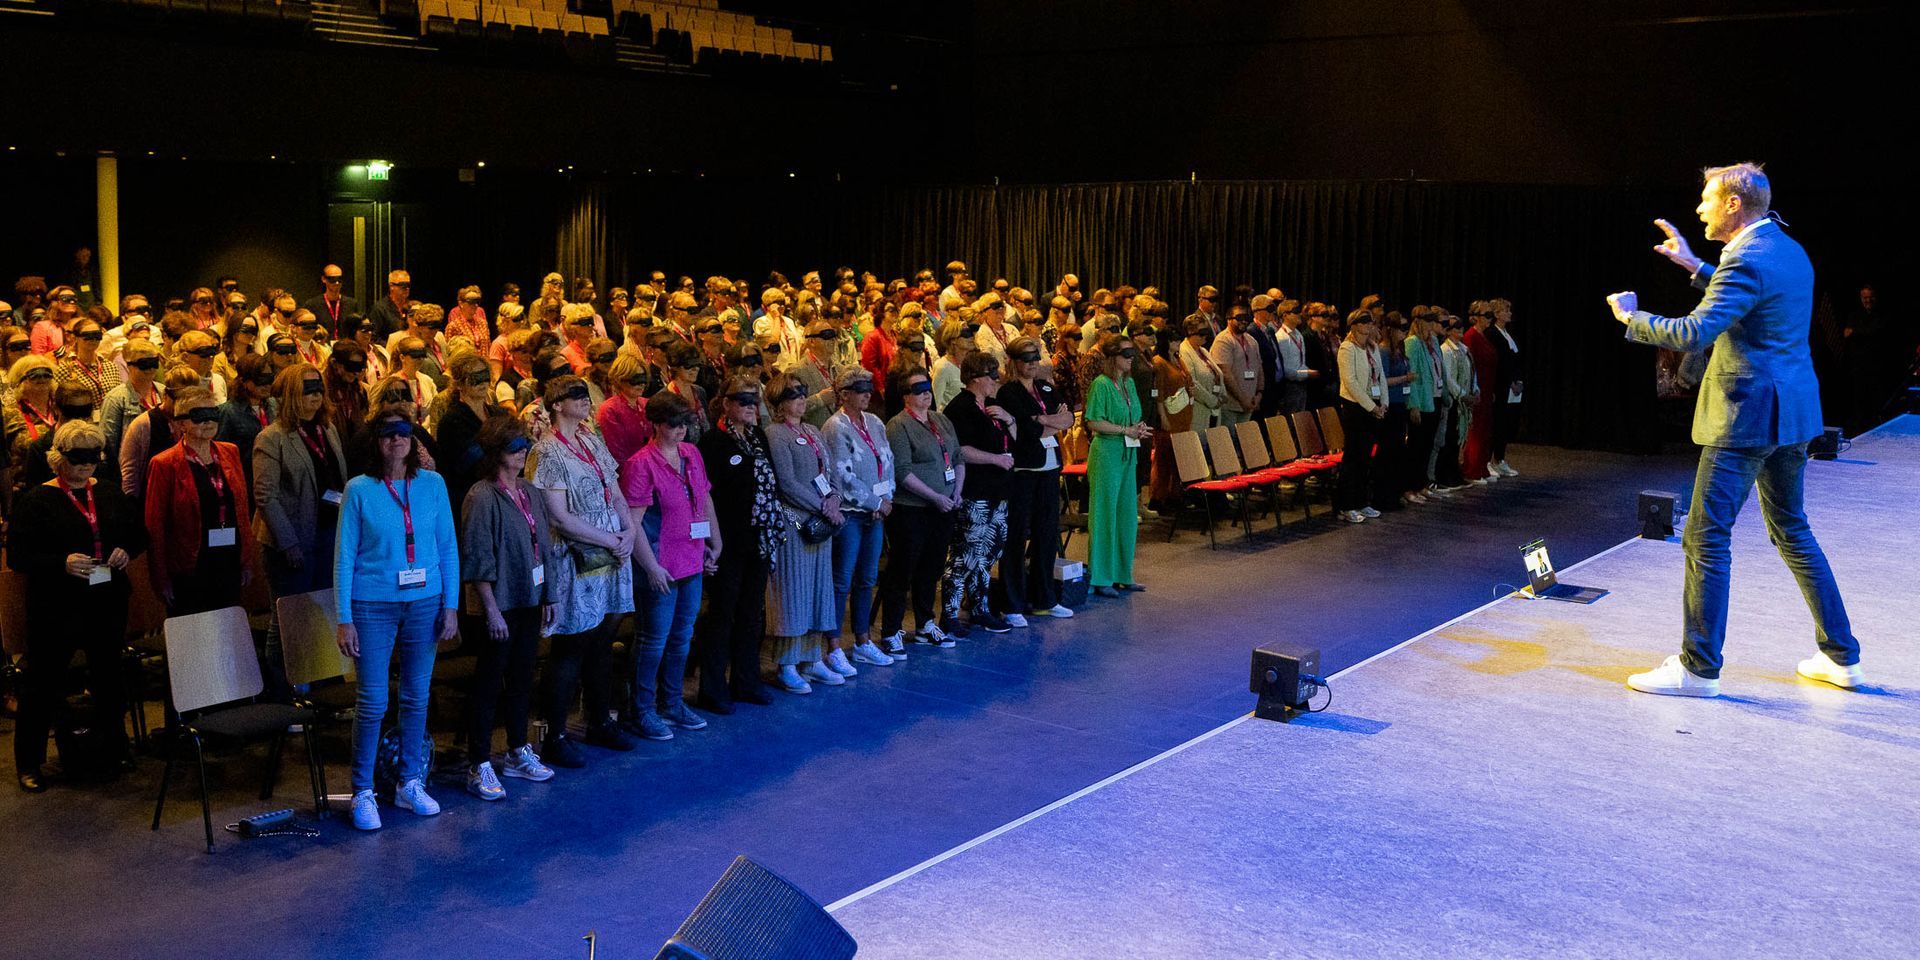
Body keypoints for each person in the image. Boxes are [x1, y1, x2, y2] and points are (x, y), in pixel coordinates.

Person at [1607, 162, 1863, 697]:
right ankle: (1841, 657)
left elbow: (1695, 330)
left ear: (1731, 205)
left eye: (1706, 198)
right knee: (1793, 530)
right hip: (1791, 416)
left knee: (1705, 537)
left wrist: (1632, 318)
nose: (1698, 207)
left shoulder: (1744, 259)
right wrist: (1694, 265)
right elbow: (1755, 300)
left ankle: (1698, 669)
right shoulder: (1786, 249)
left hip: (1744, 417)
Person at [334, 413, 460, 830]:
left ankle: (409, 780)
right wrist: (343, 617)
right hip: (372, 605)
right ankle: (363, 791)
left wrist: (451, 605)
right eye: (387, 435)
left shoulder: (434, 485)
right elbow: (344, 557)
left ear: (414, 440)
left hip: (425, 602)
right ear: (376, 442)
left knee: (416, 696)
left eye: (403, 434)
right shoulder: (359, 490)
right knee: (372, 701)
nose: (396, 442)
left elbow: (447, 548)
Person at [9, 422, 146, 792]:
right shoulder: (37, 500)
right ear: (58, 459)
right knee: (42, 681)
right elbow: (19, 557)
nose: (87, 466)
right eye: (78, 459)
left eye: (93, 458)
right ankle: (30, 763)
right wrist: (60, 563)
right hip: (58, 604)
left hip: (106, 600)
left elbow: (137, 535)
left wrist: (124, 551)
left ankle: (113, 749)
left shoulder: (111, 493)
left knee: (108, 678)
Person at [532, 375, 638, 764]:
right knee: (572, 644)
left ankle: (599, 720)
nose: (585, 399)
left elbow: (615, 489)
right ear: (556, 404)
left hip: (611, 549)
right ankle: (555, 734)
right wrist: (609, 538)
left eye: (585, 393)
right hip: (578, 555)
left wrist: (628, 530)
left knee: (601, 640)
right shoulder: (546, 451)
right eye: (576, 395)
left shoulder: (591, 440)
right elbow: (557, 516)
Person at [459, 417, 559, 800]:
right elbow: (478, 555)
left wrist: (548, 594)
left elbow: (543, 546)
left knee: (522, 679)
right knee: (488, 682)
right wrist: (490, 609)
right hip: (498, 605)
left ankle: (518, 750)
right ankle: (478, 761)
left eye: (524, 444)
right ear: (496, 451)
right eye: (514, 445)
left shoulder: (530, 491)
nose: (522, 450)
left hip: (529, 598)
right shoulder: (481, 495)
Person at [619, 390, 720, 740]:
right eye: (674, 425)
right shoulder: (640, 464)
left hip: (691, 560)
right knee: (653, 640)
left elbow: (703, 497)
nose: (682, 432)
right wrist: (650, 567)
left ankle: (672, 702)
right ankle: (642, 709)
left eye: (686, 424)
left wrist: (714, 542)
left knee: (682, 637)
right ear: (656, 425)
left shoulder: (691, 454)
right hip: (661, 565)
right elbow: (633, 524)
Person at [252, 362, 347, 699]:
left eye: (319, 389)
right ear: (292, 395)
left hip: (328, 535)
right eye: (308, 390)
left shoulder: (328, 430)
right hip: (290, 540)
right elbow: (266, 496)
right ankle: (279, 694)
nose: (316, 396)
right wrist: (288, 542)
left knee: (324, 613)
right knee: (290, 620)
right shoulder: (272, 438)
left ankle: (324, 692)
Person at [692, 377, 779, 710]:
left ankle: (746, 680)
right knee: (722, 615)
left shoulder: (758, 437)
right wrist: (709, 542)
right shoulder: (712, 443)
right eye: (742, 401)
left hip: (759, 536)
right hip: (727, 541)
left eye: (753, 401)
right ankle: (712, 689)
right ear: (725, 403)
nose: (749, 407)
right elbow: (704, 496)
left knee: (751, 614)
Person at [761, 372, 844, 693]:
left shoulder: (812, 430)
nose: (800, 398)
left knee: (818, 590)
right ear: (780, 403)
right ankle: (787, 664)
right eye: (794, 394)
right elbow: (787, 482)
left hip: (821, 524)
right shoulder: (775, 434)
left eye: (802, 393)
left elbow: (831, 471)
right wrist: (823, 508)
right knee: (792, 593)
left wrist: (834, 499)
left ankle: (812, 658)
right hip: (795, 524)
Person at [144, 386, 254, 615]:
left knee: (228, 628)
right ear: (182, 423)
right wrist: (161, 577)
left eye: (212, 414)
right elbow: (155, 525)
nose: (208, 422)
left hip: (228, 560)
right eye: (198, 416)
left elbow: (241, 509)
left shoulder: (230, 452)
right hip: (190, 566)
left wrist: (246, 559)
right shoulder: (163, 464)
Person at [877, 368, 962, 653]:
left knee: (933, 567)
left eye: (928, 388)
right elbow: (901, 471)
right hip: (912, 509)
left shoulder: (942, 420)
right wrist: (935, 496)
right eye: (918, 389)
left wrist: (956, 492)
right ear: (905, 396)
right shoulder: (897, 425)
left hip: (944, 507)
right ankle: (891, 629)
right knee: (903, 569)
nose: (926, 393)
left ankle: (926, 622)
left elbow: (958, 458)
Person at [821, 368, 898, 669]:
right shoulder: (834, 426)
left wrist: (886, 499)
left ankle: (863, 640)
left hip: (876, 513)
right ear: (844, 394)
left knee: (867, 579)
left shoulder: (875, 422)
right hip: (851, 514)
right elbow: (842, 474)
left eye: (869, 388)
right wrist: (876, 501)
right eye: (860, 388)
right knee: (842, 580)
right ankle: (834, 646)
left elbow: (887, 462)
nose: (868, 393)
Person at [996, 336, 1073, 621]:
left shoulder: (1046, 386)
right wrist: (1046, 421)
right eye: (1026, 359)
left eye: (1035, 358)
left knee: (1047, 533)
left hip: (1050, 468)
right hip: (1024, 471)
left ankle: (1045, 598)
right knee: (1016, 537)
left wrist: (1041, 420)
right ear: (1014, 362)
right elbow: (1024, 432)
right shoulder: (1008, 393)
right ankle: (1012, 603)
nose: (1032, 364)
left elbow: (1068, 419)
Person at [940, 352, 1016, 634]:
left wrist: (1009, 419)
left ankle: (980, 608)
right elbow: (960, 450)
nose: (996, 380)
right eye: (991, 375)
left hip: (999, 492)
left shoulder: (993, 406)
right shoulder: (960, 409)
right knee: (965, 554)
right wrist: (995, 459)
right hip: (976, 493)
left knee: (989, 553)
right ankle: (948, 613)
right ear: (975, 379)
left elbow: (1015, 439)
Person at [1083, 337, 1149, 596]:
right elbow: (1093, 421)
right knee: (1104, 515)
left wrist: (1137, 428)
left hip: (1127, 451)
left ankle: (1124, 573)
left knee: (1126, 514)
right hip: (1107, 453)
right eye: (1126, 353)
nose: (1132, 358)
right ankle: (1101, 577)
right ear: (1112, 356)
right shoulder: (1101, 385)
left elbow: (1133, 415)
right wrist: (1125, 429)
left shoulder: (1129, 382)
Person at [117, 366, 202, 501]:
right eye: (178, 399)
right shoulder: (143, 424)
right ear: (165, 395)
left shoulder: (198, 422)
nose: (182, 406)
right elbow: (129, 475)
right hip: (153, 498)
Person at [1335, 310, 1386, 524]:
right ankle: (1346, 505)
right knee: (1353, 457)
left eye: (1370, 321)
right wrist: (1370, 406)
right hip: (1355, 407)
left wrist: (1383, 403)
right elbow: (1351, 382)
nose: (1368, 325)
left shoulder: (1373, 348)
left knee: (1366, 457)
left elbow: (1380, 376)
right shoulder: (1347, 348)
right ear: (1353, 325)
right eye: (1363, 321)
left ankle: (1362, 500)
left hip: (1373, 406)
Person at [100, 339, 164, 465]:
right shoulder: (116, 398)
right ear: (129, 365)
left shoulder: (164, 392)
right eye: (144, 364)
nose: (150, 368)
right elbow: (108, 444)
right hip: (132, 466)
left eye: (154, 363)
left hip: (160, 465)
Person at [215, 353, 276, 482]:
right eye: (260, 380)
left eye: (269, 379)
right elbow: (223, 454)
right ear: (244, 381)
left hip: (273, 475)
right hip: (246, 477)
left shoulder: (274, 406)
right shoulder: (227, 412)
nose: (266, 385)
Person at [1460, 303, 1499, 483]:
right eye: (1486, 314)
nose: (1490, 318)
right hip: (1477, 387)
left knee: (1485, 429)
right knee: (1475, 430)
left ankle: (1482, 467)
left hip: (1487, 386)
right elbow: (1470, 366)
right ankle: (1472, 469)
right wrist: (1474, 389)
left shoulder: (1484, 336)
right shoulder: (1471, 336)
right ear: (1476, 316)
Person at [1209, 305, 1264, 429]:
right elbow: (1225, 373)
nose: (1244, 321)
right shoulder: (1223, 340)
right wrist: (1242, 399)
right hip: (1230, 405)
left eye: (1246, 317)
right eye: (1239, 317)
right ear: (1229, 319)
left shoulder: (1252, 341)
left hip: (1250, 403)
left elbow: (1259, 368)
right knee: (1228, 442)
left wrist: (1259, 394)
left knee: (1243, 441)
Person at [1487, 298, 1522, 477]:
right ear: (1497, 314)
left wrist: (1517, 381)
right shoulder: (1492, 333)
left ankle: (1499, 459)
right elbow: (1498, 362)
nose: (1509, 313)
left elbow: (1512, 360)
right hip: (1499, 385)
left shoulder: (1506, 333)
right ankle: (1488, 461)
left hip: (1509, 385)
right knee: (1496, 423)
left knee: (1505, 424)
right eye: (1505, 310)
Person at [54, 316, 121, 409]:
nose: (93, 340)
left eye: (97, 336)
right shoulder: (65, 369)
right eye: (88, 336)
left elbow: (118, 397)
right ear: (76, 338)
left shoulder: (110, 366)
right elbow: (58, 403)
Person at [302, 264, 359, 334]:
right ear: (323, 279)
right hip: (322, 343)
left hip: (345, 344)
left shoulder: (351, 304)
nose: (337, 282)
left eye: (339, 279)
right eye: (332, 279)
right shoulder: (312, 305)